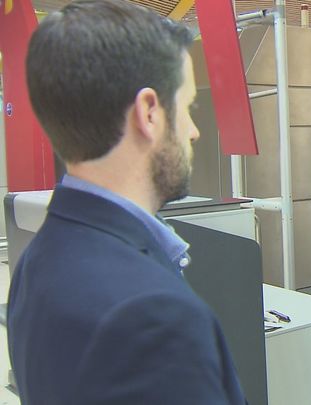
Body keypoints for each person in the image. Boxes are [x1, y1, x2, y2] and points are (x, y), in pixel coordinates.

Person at [7, 1, 247, 404]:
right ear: (148, 112)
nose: (193, 131)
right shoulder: (154, 315)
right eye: (187, 107)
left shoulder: (37, 260)